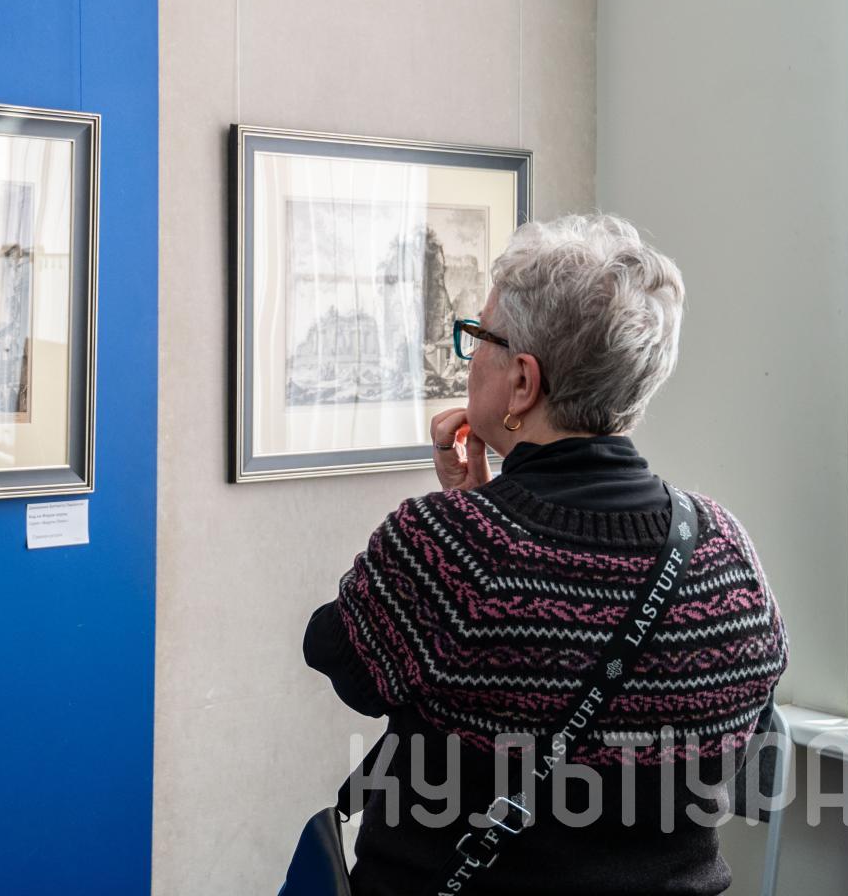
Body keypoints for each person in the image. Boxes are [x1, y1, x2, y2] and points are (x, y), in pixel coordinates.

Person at [303, 213, 788, 895]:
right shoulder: (727, 553)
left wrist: (465, 524)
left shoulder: (449, 548)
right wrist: (479, 512)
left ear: (523, 382)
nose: (469, 355)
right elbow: (747, 732)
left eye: (479, 337)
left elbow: (342, 661)